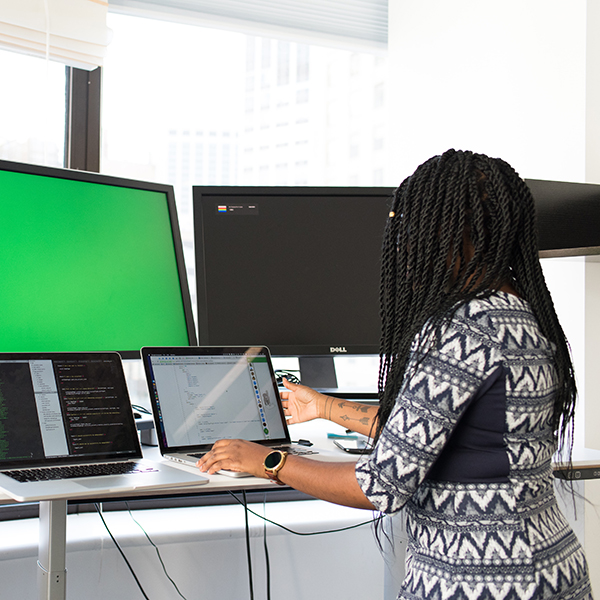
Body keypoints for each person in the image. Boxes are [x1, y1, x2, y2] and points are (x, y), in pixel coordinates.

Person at [197, 149, 593, 599]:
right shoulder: (525, 313)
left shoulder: (459, 329)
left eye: (412, 224)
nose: (404, 240)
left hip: (479, 580)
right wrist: (326, 407)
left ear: (444, 231)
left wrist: (270, 462)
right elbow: (445, 433)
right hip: (552, 570)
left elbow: (380, 485)